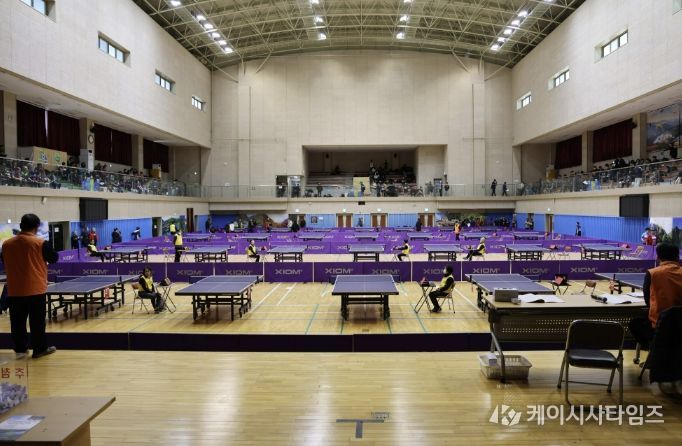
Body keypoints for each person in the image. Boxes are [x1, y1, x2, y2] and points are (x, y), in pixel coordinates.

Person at [0, 214, 58, 358]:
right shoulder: (41, 243)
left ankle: (20, 349)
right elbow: (54, 258)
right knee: (37, 323)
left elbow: (4, 260)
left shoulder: (6, 244)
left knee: (17, 323)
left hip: (14, 290)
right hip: (35, 290)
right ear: (36, 227)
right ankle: (39, 350)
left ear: (21, 226)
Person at [628, 243, 682, 350]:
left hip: (659, 326)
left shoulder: (652, 273)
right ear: (677, 257)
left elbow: (648, 300)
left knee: (634, 324)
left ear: (658, 257)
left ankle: (652, 350)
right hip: (680, 326)